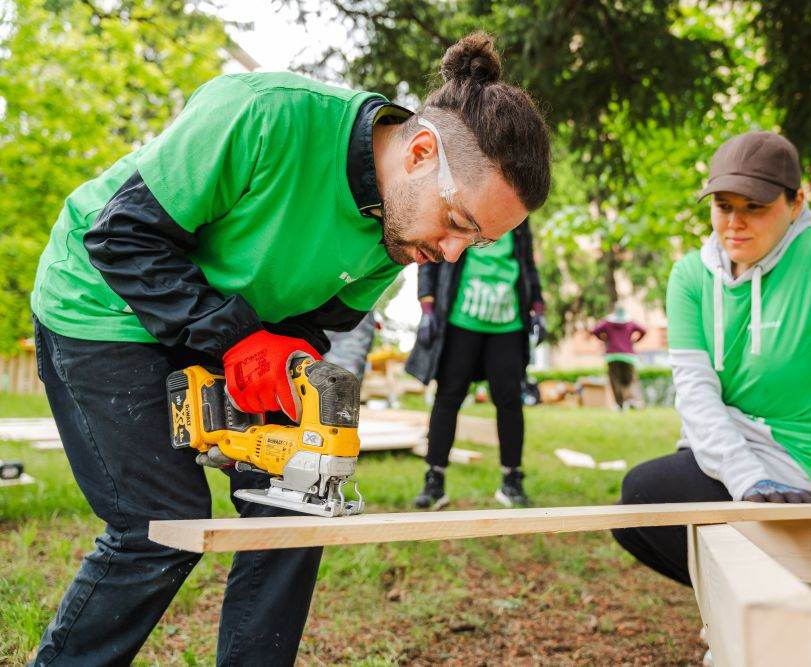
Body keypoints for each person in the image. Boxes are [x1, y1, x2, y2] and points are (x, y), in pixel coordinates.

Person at [28, 31, 550, 666]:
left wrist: (277, 358)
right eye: (460, 223)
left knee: (300, 501)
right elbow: (122, 239)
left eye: (479, 243)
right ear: (418, 153)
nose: (451, 254)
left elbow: (309, 328)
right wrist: (239, 342)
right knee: (158, 526)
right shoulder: (262, 114)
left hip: (222, 325)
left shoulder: (400, 232)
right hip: (104, 300)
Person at [612, 131, 811, 588]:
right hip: (744, 459)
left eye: (754, 206)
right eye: (723, 206)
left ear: (796, 203)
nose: (735, 223)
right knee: (638, 508)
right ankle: (764, 613)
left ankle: (782, 611)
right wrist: (747, 479)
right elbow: (696, 393)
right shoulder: (691, 277)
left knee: (648, 492)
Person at [405, 218, 545, 510]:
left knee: (509, 401)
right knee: (448, 397)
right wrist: (427, 305)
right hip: (460, 320)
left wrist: (538, 308)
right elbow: (431, 252)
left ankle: (512, 480)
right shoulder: (463, 202)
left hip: (507, 322)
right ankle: (435, 480)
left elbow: (527, 263)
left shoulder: (517, 216)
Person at [590, 303, 647, 409]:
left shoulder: (607, 323)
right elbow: (644, 330)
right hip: (628, 356)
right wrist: (634, 341)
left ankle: (620, 404)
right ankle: (631, 400)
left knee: (615, 380)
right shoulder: (630, 322)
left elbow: (594, 330)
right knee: (630, 380)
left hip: (612, 355)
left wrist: (604, 338)